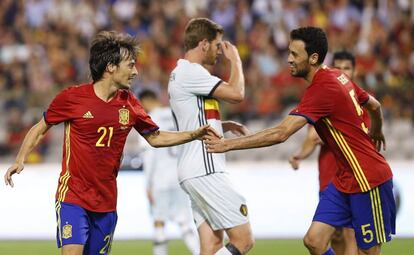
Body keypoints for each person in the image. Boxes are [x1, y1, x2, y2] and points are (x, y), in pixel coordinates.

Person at [4, 31, 217, 255]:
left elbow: (155, 137)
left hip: (106, 201)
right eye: (130, 65)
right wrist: (20, 159)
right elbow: (40, 128)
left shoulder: (130, 104)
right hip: (73, 195)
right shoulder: (72, 98)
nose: (135, 72)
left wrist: (194, 134)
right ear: (110, 67)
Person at [204, 27, 396, 255]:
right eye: (289, 53)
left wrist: (227, 145)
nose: (289, 59)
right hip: (345, 178)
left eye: (295, 54)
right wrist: (377, 129)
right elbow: (374, 105)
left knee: (367, 253)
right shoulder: (337, 76)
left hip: (368, 180)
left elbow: (281, 133)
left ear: (313, 58)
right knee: (314, 241)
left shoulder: (324, 88)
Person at [168, 18, 254, 255]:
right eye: (217, 46)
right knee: (243, 240)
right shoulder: (191, 72)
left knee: (212, 245)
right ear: (204, 44)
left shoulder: (181, 73)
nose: (219, 52)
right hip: (206, 168)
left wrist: (221, 124)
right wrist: (235, 58)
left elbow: (191, 118)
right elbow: (237, 94)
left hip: (191, 169)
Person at [288, 50, 363, 255]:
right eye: (338, 67)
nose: (342, 72)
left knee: (349, 234)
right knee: (333, 237)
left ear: (355, 71)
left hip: (356, 178)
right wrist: (300, 155)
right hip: (330, 179)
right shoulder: (328, 97)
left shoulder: (359, 101)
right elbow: (312, 136)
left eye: (346, 68)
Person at [138, 89, 199, 255]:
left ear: (146, 101)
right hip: (179, 177)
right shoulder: (176, 116)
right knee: (185, 223)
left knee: (159, 222)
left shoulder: (148, 120)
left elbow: (149, 157)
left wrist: (148, 185)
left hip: (159, 179)